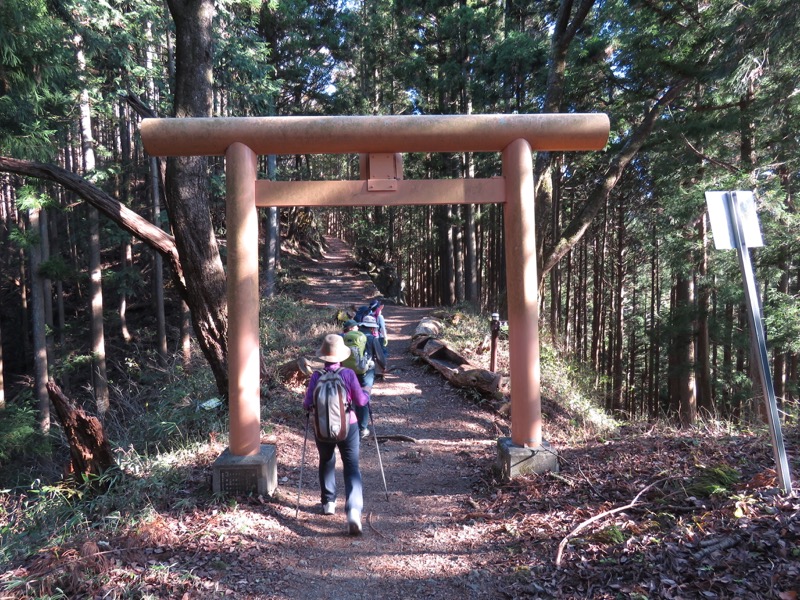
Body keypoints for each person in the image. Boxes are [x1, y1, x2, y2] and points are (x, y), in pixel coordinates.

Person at [303, 333, 368, 535]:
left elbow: (307, 404)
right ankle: (353, 512)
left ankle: (328, 503)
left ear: (323, 357)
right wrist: (367, 393)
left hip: (322, 429)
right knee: (351, 467)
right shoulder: (348, 374)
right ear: (341, 355)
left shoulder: (316, 376)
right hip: (348, 427)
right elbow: (360, 401)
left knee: (326, 460)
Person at [353, 315, 386, 438]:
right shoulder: (372, 339)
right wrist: (383, 367)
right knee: (364, 397)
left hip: (350, 371)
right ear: (372, 328)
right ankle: (362, 428)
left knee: (350, 396)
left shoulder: (351, 337)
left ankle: (350, 425)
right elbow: (380, 357)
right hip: (367, 372)